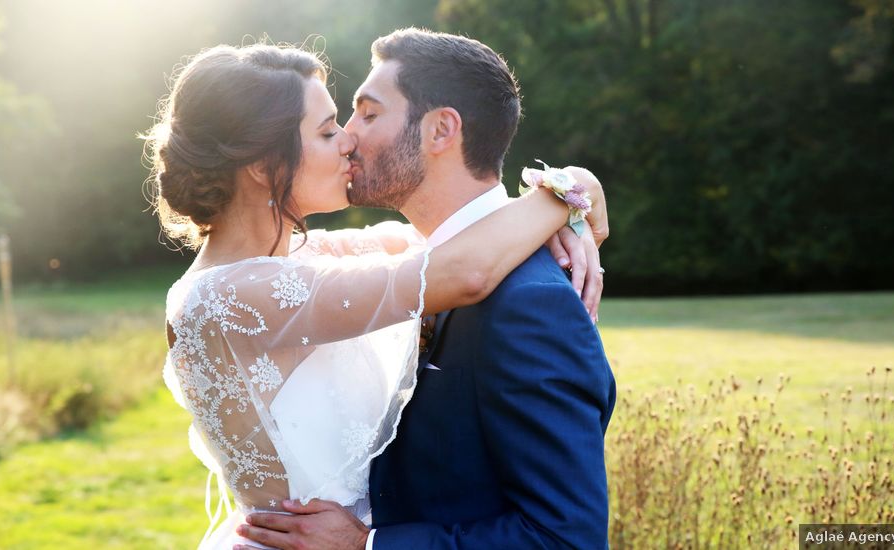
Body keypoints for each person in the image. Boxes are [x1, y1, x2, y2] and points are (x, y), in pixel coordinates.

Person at [143, 39, 609, 550]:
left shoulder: (309, 257)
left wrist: (573, 189)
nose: (347, 141)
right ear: (262, 163)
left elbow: (435, 243)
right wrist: (570, 196)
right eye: (327, 131)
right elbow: (463, 269)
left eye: (362, 115)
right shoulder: (231, 298)